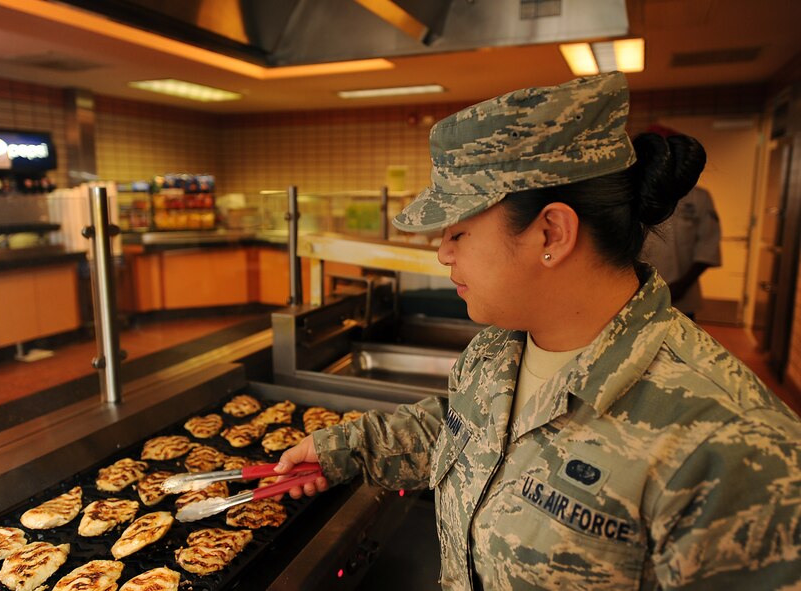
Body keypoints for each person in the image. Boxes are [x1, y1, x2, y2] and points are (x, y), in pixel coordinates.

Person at [275, 72, 801, 590]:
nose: (443, 252)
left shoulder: (735, 450)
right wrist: (350, 446)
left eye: (459, 231)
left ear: (551, 232)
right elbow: (466, 430)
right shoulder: (499, 347)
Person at [641, 125, 722, 321]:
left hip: (682, 295)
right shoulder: (634, 193)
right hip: (638, 294)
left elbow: (708, 246)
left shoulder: (699, 198)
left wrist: (682, 285)